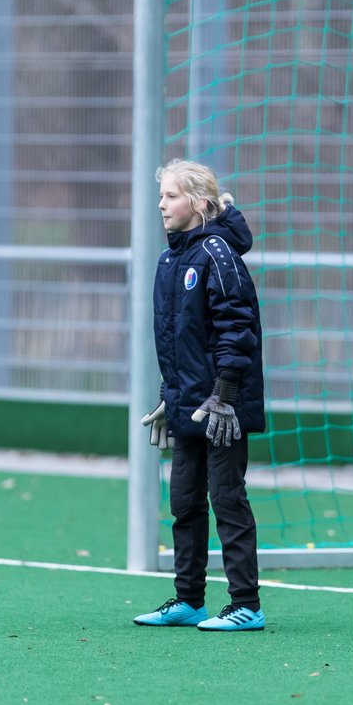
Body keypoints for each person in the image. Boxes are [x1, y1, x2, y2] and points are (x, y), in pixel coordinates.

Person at [134, 159, 266, 632]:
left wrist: (224, 393)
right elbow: (176, 340)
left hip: (222, 405)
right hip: (190, 401)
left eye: (171, 195)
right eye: (162, 195)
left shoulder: (217, 252)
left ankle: (246, 605)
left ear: (199, 202)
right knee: (185, 500)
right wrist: (172, 394)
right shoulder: (171, 259)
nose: (161, 204)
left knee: (226, 497)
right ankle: (189, 599)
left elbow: (238, 327)